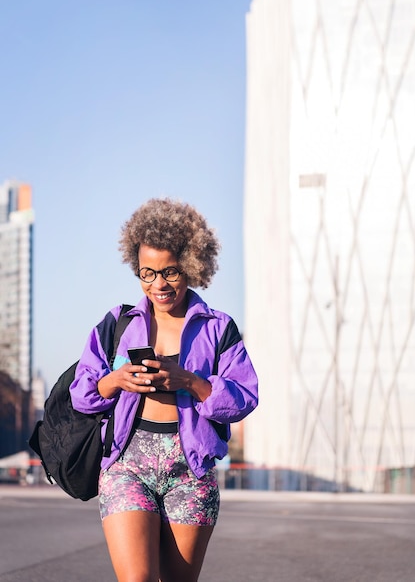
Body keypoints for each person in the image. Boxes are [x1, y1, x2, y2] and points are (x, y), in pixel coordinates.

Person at [70, 198, 258, 582]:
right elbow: (82, 393)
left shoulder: (218, 328)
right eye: (147, 272)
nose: (158, 284)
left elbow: (245, 398)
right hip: (127, 465)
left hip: (190, 471)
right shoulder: (117, 324)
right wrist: (115, 380)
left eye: (170, 272)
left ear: (191, 265)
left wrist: (189, 381)